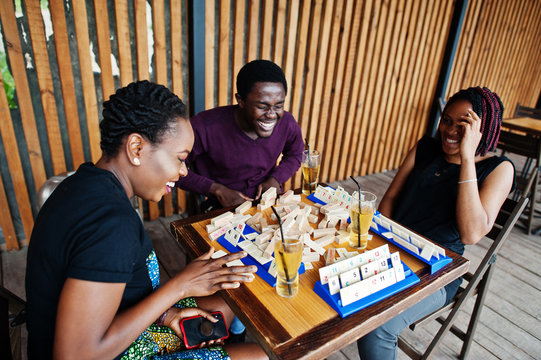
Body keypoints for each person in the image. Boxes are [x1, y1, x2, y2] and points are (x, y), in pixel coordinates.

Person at [25, 81, 268, 360]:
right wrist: (179, 286)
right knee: (260, 356)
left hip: (110, 329)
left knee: (225, 303)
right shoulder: (110, 227)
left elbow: (107, 296)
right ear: (137, 148)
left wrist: (166, 313)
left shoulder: (83, 185)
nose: (183, 172)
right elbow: (75, 356)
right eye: (180, 159)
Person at [357, 87, 515, 359]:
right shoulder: (425, 148)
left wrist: (467, 157)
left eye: (462, 125)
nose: (450, 130)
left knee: (378, 326)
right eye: (447, 121)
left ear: (482, 129)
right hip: (391, 251)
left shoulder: (499, 169)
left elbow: (471, 233)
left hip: (436, 273)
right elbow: (391, 199)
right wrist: (378, 244)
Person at [175, 59, 304, 211]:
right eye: (262, 106)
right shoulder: (205, 126)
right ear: (240, 100)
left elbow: (296, 153)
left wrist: (276, 178)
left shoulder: (287, 123)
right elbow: (171, 167)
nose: (271, 115)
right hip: (220, 207)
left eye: (278, 106)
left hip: (268, 203)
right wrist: (216, 189)